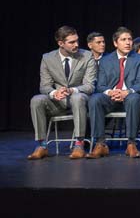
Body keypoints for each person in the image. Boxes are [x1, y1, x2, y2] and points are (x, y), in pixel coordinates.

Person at [28, 26, 96, 160]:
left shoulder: (87, 56)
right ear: (60, 43)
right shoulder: (47, 58)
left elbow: (90, 86)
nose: (76, 44)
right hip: (58, 101)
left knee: (77, 98)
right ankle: (42, 145)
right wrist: (54, 93)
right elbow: (45, 86)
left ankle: (79, 144)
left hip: (79, 99)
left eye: (77, 41)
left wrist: (72, 90)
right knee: (37, 99)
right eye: (71, 42)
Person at [86, 27, 140, 159]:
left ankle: (131, 143)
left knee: (134, 98)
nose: (128, 43)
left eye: (130, 39)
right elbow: (100, 85)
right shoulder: (105, 60)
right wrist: (111, 92)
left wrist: (126, 92)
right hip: (111, 97)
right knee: (95, 99)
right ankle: (100, 143)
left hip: (130, 97)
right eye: (123, 39)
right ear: (115, 43)